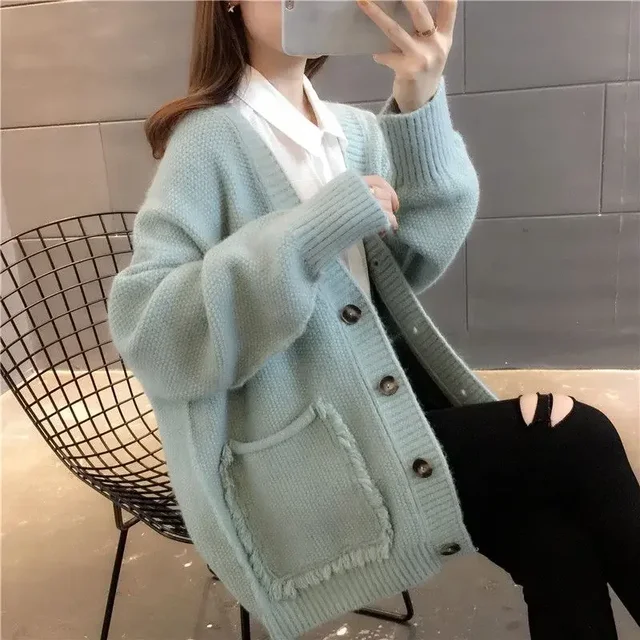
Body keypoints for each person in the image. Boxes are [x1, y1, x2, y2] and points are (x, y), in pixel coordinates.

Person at [107, 1, 640, 638]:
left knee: (553, 539)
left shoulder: (352, 133)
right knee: (577, 436)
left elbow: (411, 258)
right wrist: (308, 231)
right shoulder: (207, 141)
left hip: (386, 410)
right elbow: (152, 333)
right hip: (304, 451)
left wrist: (419, 98)